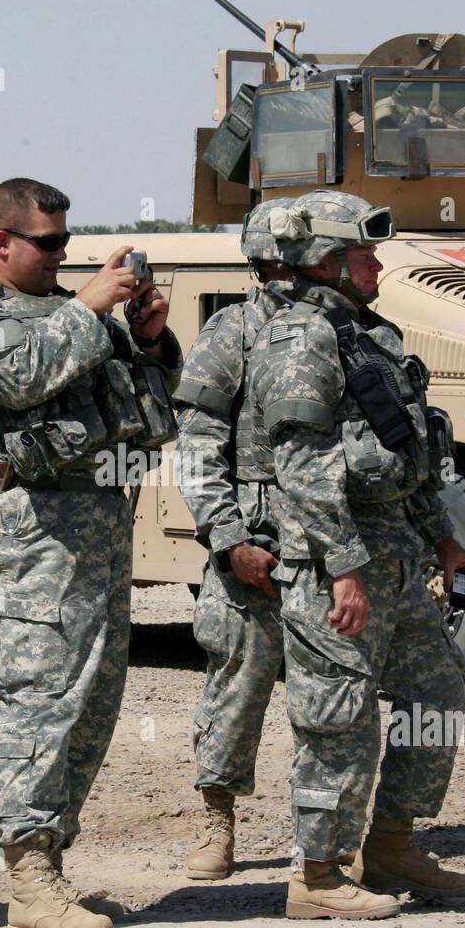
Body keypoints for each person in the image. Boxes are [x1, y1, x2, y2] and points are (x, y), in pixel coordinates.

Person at [0, 178, 181, 928]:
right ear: (1, 242)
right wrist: (93, 306)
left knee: (92, 709)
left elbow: (151, 407)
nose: (63, 256)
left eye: (69, 243)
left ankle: (51, 865)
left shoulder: (71, 315)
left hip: (99, 533)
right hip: (30, 539)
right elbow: (23, 375)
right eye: (49, 244)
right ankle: (28, 875)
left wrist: (151, 339)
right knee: (40, 705)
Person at [248, 188, 465, 920]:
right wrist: (344, 566)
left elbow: (407, 452)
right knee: (340, 715)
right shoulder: (299, 339)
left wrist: (442, 536)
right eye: (365, 251)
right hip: (335, 565)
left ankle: (390, 845)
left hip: (399, 557)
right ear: (326, 261)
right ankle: (316, 876)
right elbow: (303, 465)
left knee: (437, 695)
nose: (378, 262)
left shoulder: (365, 337)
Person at [173, 200, 290, 880]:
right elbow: (197, 445)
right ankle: (218, 822)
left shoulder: (354, 332)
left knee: (334, 695)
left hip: (334, 544)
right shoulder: (233, 333)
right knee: (237, 686)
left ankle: (330, 837)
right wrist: (228, 537)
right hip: (255, 538)